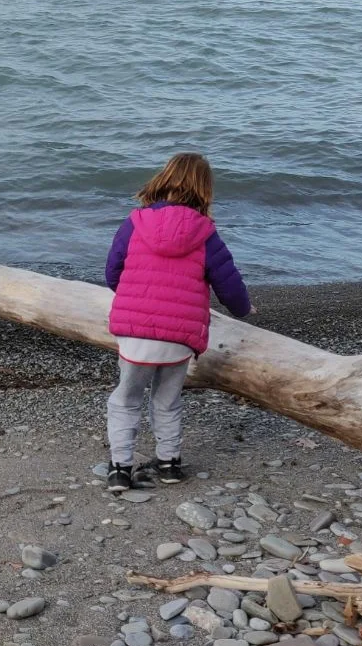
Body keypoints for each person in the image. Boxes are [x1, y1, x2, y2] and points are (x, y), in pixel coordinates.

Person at [104, 152, 253, 491]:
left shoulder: (136, 222)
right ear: (204, 189)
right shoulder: (205, 234)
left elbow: (112, 270)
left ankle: (119, 469)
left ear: (164, 178)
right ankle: (169, 463)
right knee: (167, 399)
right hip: (179, 337)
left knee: (126, 399)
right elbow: (229, 284)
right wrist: (244, 310)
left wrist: (133, 297)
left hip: (136, 333)